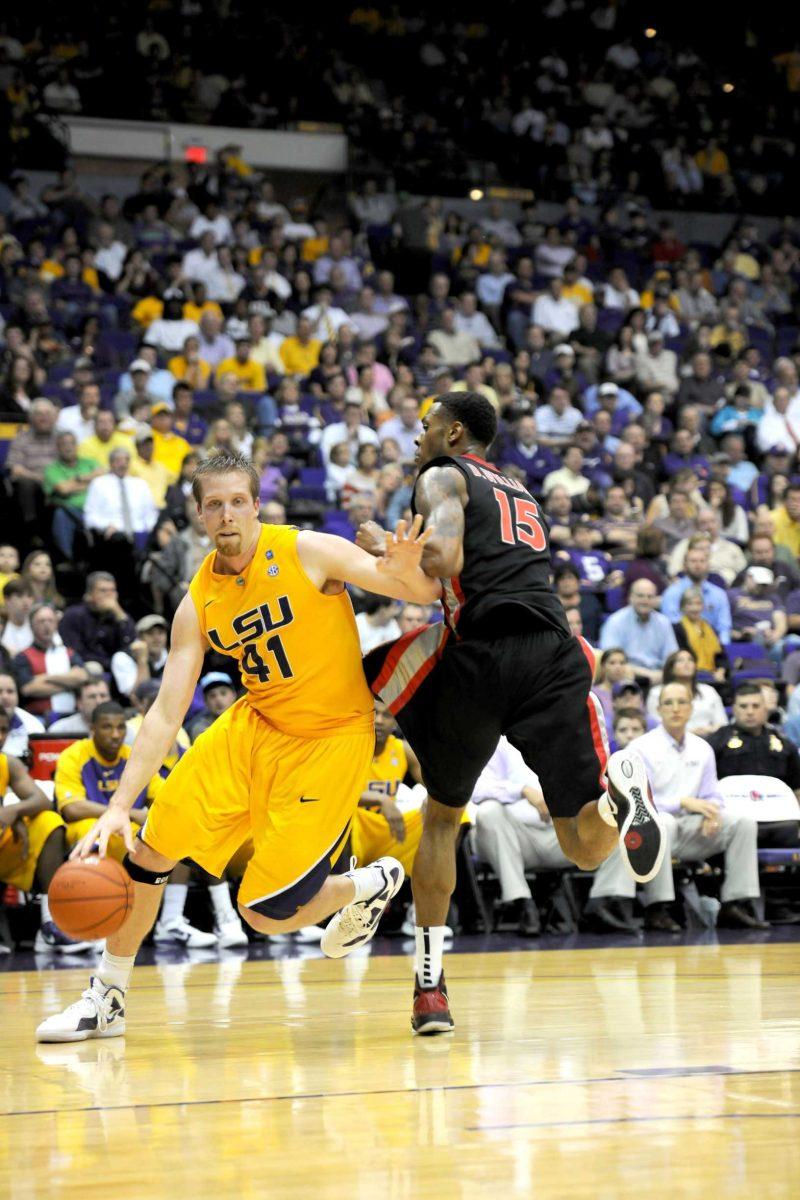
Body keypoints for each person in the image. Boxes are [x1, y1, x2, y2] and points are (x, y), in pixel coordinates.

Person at [38, 450, 440, 1042]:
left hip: (328, 739)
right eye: (213, 505)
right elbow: (165, 711)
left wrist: (407, 568)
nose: (226, 515)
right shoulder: (197, 599)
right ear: (199, 515)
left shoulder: (306, 551)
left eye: (236, 502)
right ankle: (108, 998)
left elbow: (417, 588)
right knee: (149, 851)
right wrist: (121, 804)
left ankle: (370, 882)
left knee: (264, 912)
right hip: (253, 725)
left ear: (255, 506)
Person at [356, 392, 663, 1034]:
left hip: (485, 654)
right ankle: (617, 801)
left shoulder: (441, 474)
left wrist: (385, 551)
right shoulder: (518, 490)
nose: (418, 437)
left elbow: (443, 561)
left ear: (455, 431)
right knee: (583, 844)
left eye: (427, 426)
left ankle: (430, 987)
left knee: (441, 818)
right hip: (557, 649)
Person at [591, 682, 768, 931]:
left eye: (682, 702)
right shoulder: (641, 749)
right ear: (658, 709)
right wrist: (681, 802)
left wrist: (713, 812)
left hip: (694, 829)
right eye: (668, 703)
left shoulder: (703, 748)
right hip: (655, 829)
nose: (675, 709)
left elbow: (712, 794)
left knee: (743, 823)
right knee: (663, 823)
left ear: (691, 708)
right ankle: (657, 908)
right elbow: (637, 803)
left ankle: (735, 904)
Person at [0, 708, 93, 954]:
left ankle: (51, 925)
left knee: (48, 820)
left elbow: (39, 799)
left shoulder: (7, 762)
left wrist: (14, 811)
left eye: (3, 731)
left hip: (6, 850)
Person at [472, 738, 570, 937]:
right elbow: (475, 788)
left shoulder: (566, 734)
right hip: (513, 838)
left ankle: (608, 904)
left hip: (562, 835)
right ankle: (522, 903)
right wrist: (522, 791)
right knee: (488, 812)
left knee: (618, 814)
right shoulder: (494, 740)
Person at [708, 684, 800, 847]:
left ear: (765, 709)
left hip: (780, 822)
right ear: (734, 710)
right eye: (743, 706)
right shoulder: (717, 742)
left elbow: (797, 788)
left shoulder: (784, 744)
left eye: (755, 706)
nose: (750, 711)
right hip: (734, 821)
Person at [13, 602, 89, 718]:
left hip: (72, 715)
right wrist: (70, 684)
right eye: (41, 621)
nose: (46, 625)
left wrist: (46, 677)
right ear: (32, 626)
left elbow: (82, 677)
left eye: (50, 620)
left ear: (56, 624)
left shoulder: (68, 653)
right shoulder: (23, 657)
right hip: (38, 717)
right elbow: (29, 688)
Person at [599, 579, 679, 684]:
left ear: (656, 599)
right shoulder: (615, 621)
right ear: (630, 597)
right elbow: (610, 659)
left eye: (650, 596)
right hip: (626, 678)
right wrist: (648, 674)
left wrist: (664, 674)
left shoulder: (664, 622)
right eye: (640, 596)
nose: (645, 600)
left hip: (659, 679)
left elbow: (672, 658)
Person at [646, 649, 727, 737]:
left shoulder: (709, 691)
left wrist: (708, 730)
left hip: (711, 738)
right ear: (670, 668)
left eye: (690, 660)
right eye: (680, 660)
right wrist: (689, 732)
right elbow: (655, 725)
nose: (686, 663)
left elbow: (723, 723)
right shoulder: (657, 693)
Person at [672, 587, 725, 674]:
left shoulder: (710, 628)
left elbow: (721, 655)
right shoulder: (677, 629)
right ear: (682, 607)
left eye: (698, 604)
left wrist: (721, 671)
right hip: (691, 674)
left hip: (714, 674)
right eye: (689, 604)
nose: (694, 608)